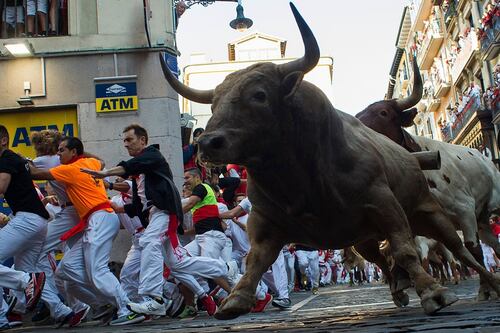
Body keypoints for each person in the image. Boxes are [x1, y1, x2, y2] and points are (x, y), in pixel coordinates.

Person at [81, 124, 237, 320]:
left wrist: (106, 174)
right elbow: (138, 204)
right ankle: (225, 268)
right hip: (155, 215)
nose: (126, 144)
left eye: (130, 140)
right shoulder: (141, 173)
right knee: (178, 263)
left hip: (165, 212)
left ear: (143, 141)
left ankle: (155, 298)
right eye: (124, 141)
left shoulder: (153, 155)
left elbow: (130, 165)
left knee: (149, 242)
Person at [29, 136, 136, 326]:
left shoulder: (68, 169)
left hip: (100, 218)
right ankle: (108, 303)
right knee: (65, 269)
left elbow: (37, 175)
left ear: (73, 153)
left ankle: (126, 308)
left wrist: (18, 163)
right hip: (98, 219)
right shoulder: (90, 162)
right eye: (58, 149)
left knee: (97, 269)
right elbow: (101, 161)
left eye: (62, 150)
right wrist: (78, 150)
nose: (58, 153)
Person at [0, 125, 47, 329]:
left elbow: (1, 188)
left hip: (27, 219)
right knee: (24, 266)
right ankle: (7, 315)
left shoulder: (7, 159)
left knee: (25, 275)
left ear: (3, 140)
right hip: (37, 222)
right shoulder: (15, 159)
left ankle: (24, 281)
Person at [182, 168, 228, 260]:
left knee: (210, 268)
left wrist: (173, 216)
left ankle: (230, 268)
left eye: (187, 178)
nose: (185, 181)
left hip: (211, 236)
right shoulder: (201, 195)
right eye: (184, 179)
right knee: (181, 258)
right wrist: (184, 232)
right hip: (203, 236)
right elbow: (202, 225)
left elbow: (189, 204)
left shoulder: (201, 187)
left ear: (197, 178)